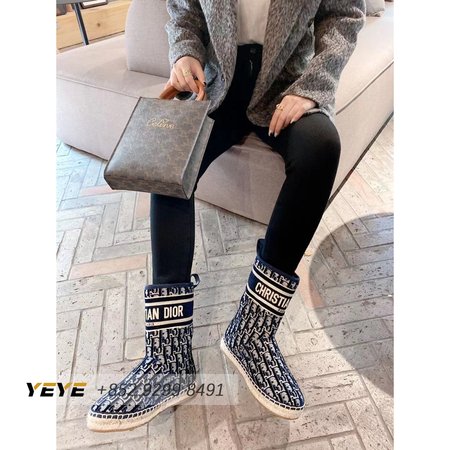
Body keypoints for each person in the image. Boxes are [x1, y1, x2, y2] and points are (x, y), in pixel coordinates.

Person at [87, 0, 366, 432]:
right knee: (171, 158)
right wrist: (184, 53)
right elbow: (184, 11)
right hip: (215, 85)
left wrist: (313, 85)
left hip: (286, 86)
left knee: (321, 148)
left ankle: (252, 332)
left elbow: (344, 14)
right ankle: (168, 357)